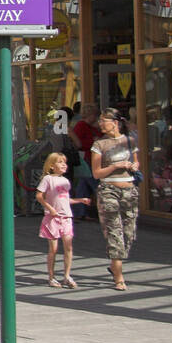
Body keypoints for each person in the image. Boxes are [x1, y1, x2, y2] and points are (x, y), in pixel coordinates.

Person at [91, 108, 140, 291]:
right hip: (109, 189)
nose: (101, 123)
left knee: (128, 233)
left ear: (115, 122)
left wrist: (134, 165)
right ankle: (119, 278)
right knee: (114, 233)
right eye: (100, 120)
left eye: (104, 120)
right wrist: (115, 166)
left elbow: (137, 161)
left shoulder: (129, 141)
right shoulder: (99, 145)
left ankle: (114, 266)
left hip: (129, 189)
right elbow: (96, 173)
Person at [36, 152, 90, 288]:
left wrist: (80, 200)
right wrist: (50, 208)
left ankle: (67, 275)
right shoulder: (47, 179)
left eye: (64, 162)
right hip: (52, 218)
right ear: (52, 165)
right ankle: (51, 276)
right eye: (60, 162)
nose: (64, 165)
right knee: (53, 249)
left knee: (68, 247)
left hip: (66, 217)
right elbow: (39, 196)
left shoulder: (65, 181)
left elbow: (65, 200)